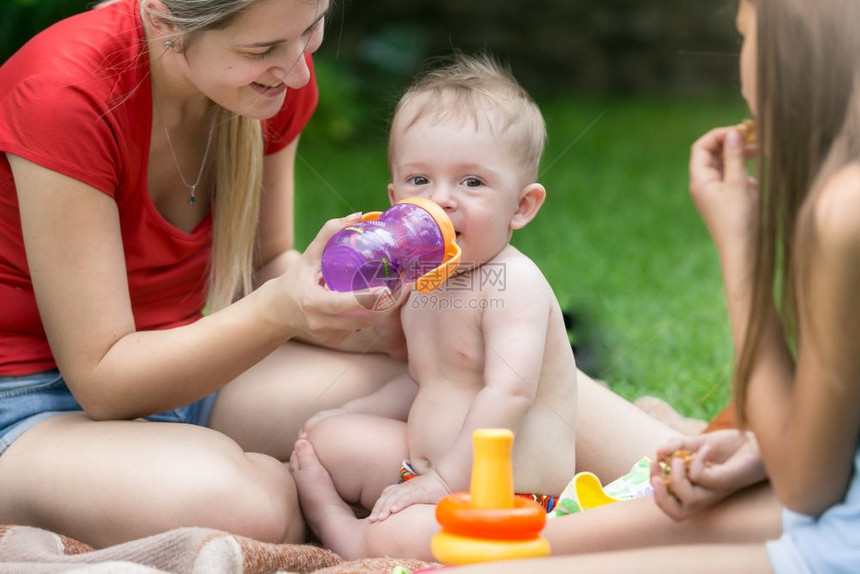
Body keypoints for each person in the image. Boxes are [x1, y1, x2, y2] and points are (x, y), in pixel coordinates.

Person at [451, 0, 860, 571]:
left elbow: (807, 487)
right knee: (496, 550)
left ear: (788, 56)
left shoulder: (844, 211)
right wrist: (761, 449)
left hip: (831, 538)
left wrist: (740, 248)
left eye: (745, 39)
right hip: (825, 503)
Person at [0, 0, 411, 548]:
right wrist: (280, 310)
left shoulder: (268, 85)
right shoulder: (69, 95)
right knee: (239, 508)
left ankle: (309, 485)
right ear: (166, 23)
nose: (298, 72)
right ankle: (311, 491)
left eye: (312, 31)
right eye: (260, 50)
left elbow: (262, 268)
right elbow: (103, 382)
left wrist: (377, 319)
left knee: (444, 389)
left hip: (180, 365)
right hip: (25, 401)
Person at [288, 53, 578, 560]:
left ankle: (347, 534)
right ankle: (388, 500)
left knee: (401, 535)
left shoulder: (514, 284)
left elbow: (510, 394)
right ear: (393, 195)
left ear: (522, 206)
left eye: (472, 182)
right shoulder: (424, 281)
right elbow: (424, 380)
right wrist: (355, 412)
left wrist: (444, 480)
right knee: (328, 438)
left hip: (507, 500)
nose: (441, 200)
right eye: (420, 180)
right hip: (428, 470)